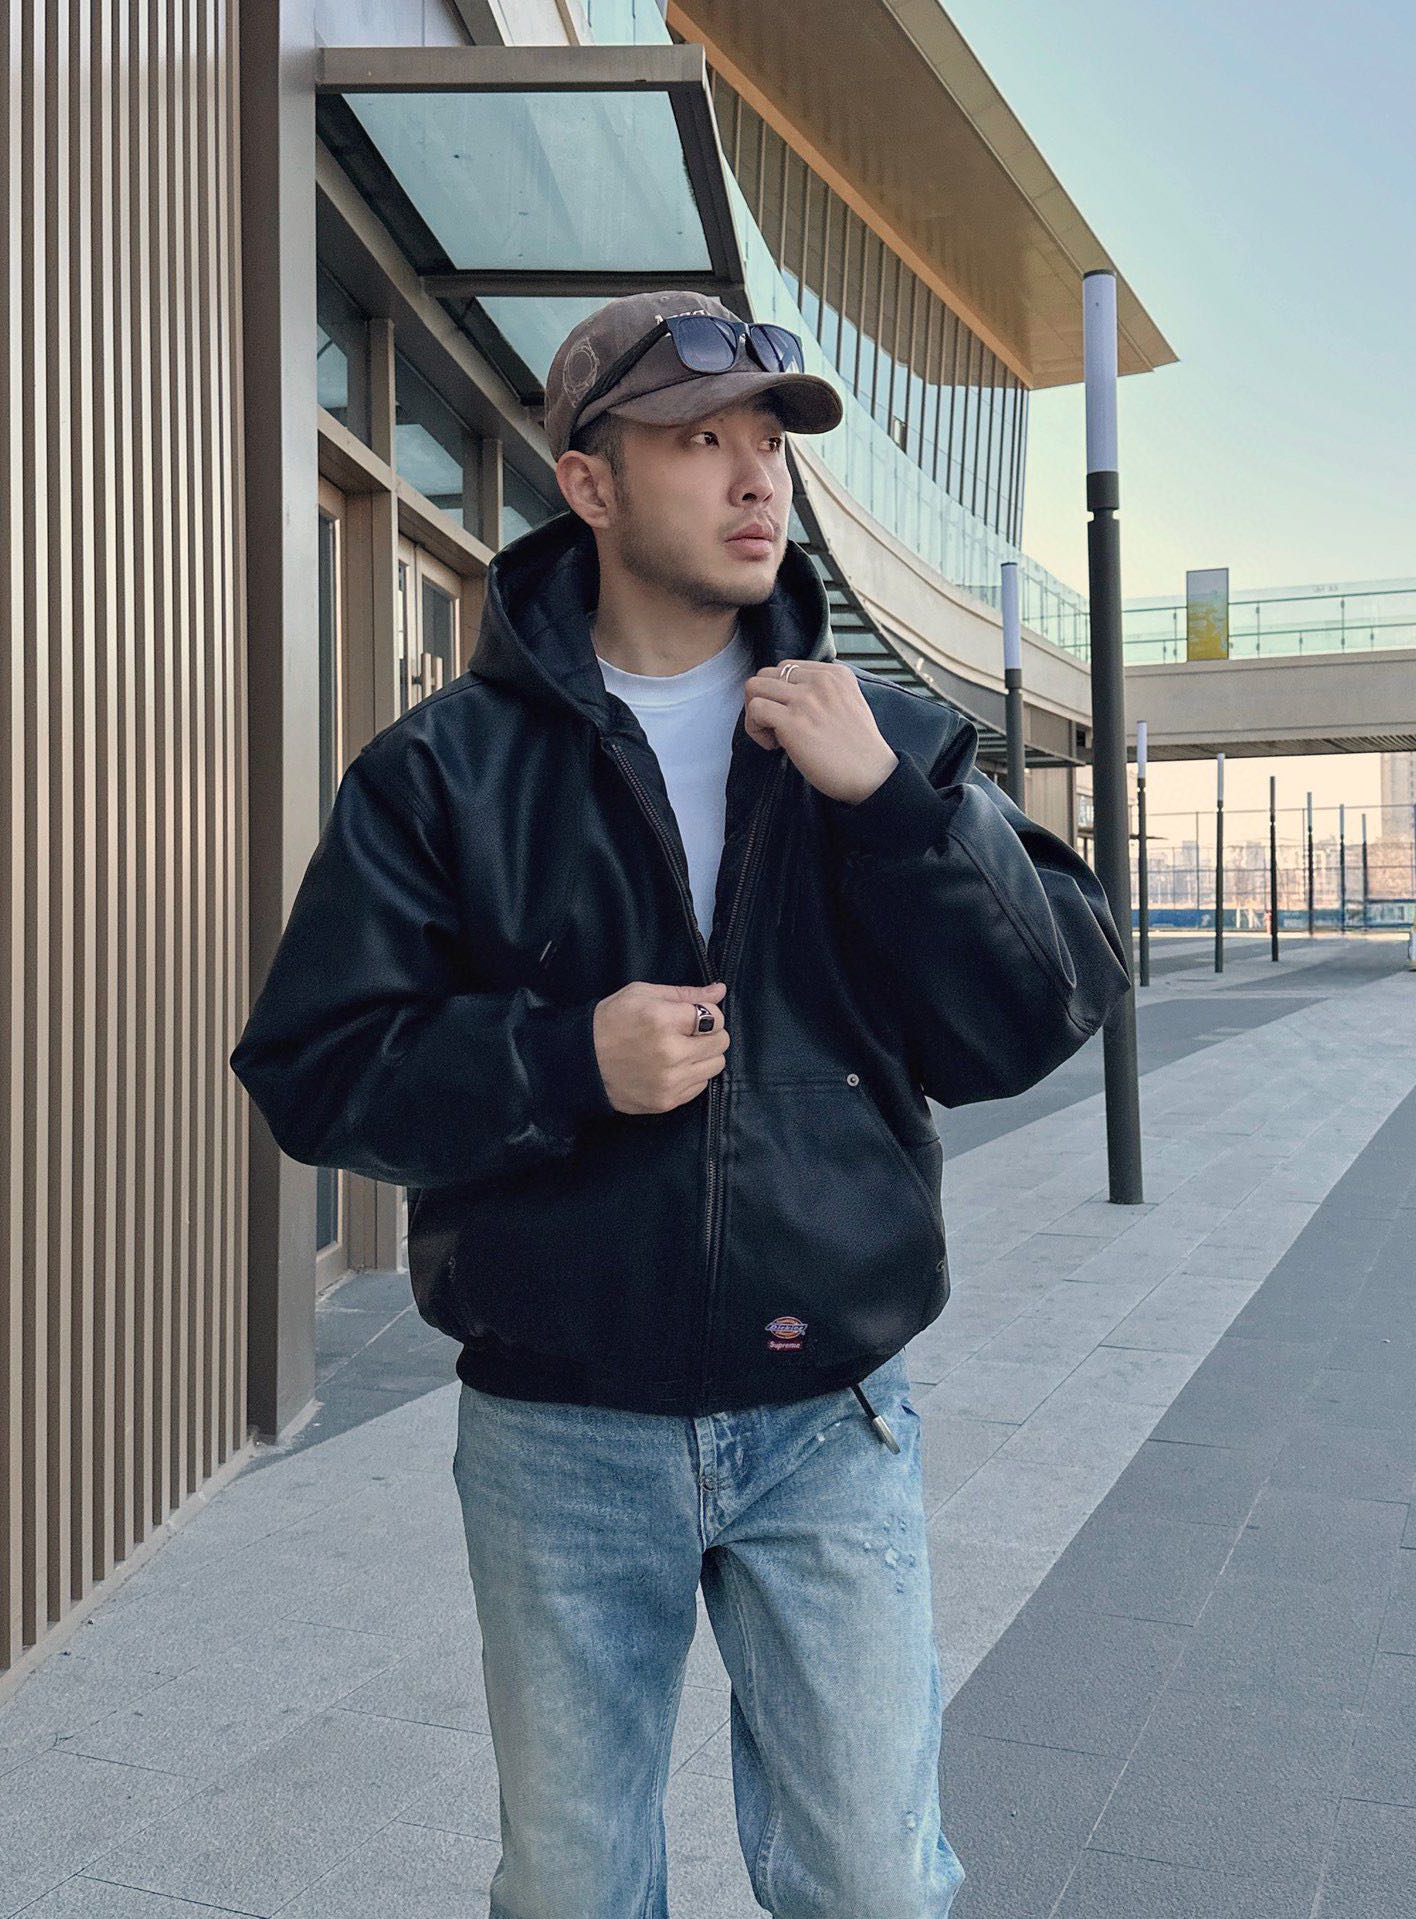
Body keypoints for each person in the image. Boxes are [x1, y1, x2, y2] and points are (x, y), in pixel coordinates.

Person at [230, 288, 1132, 1918]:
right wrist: (562, 1062)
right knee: (575, 1890)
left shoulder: (878, 739)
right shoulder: (443, 771)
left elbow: (1045, 1004)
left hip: (830, 1417)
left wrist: (900, 815)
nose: (755, 475)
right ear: (588, 484)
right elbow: (316, 1064)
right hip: (560, 1431)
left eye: (767, 441)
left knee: (874, 1884)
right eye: (699, 441)